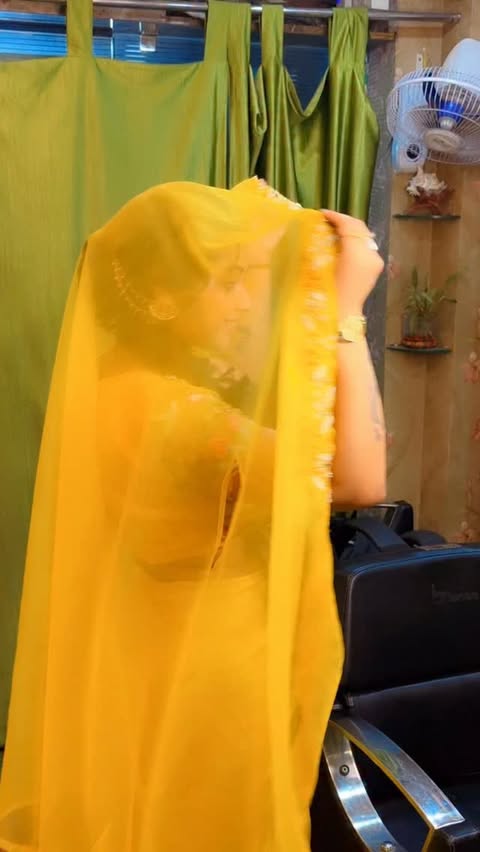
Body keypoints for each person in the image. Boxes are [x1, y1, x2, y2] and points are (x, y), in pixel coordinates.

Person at [0, 178, 385, 852]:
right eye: (228, 281)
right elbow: (359, 479)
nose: (248, 302)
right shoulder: (177, 415)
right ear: (161, 297)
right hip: (204, 672)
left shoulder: (121, 387)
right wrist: (345, 313)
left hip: (157, 649)